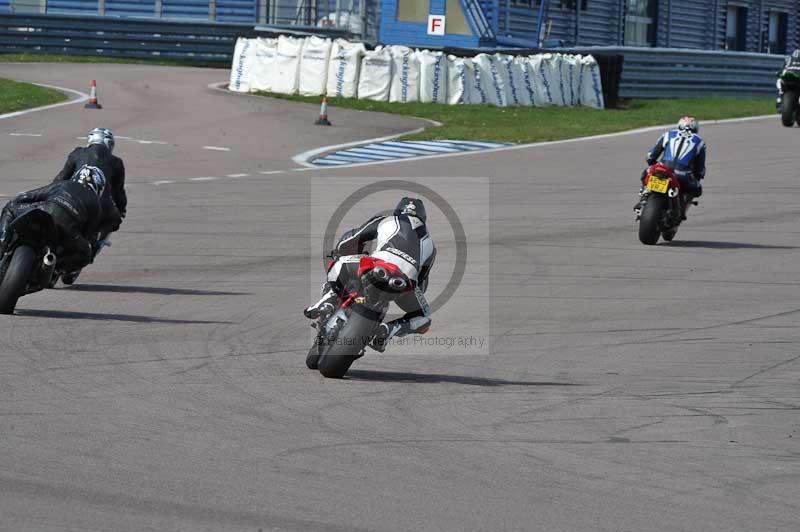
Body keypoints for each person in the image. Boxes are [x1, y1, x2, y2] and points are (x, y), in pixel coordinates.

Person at [304, 197, 437, 352]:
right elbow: (422, 283)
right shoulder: (431, 247)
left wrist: (339, 251)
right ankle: (388, 330)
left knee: (339, 263)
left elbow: (353, 237)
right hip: (404, 281)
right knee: (424, 317)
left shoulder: (386, 220)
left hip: (376, 265)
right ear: (423, 218)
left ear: (398, 210)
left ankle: (326, 302)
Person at [0, 165, 106, 273]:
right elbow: (89, 236)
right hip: (67, 229)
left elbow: (27, 196)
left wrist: (22, 205)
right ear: (98, 185)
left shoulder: (62, 183)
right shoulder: (96, 204)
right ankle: (55, 267)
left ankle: (2, 243)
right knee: (86, 253)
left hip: (44, 211)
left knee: (10, 208)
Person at [53, 127, 126, 242]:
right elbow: (118, 192)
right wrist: (122, 209)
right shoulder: (116, 162)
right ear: (109, 144)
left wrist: (52, 192)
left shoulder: (77, 153)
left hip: (70, 196)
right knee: (115, 219)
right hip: (97, 204)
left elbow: (61, 178)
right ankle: (95, 239)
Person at [635, 116, 706, 214]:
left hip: (662, 169)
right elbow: (700, 169)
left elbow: (650, 156)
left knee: (646, 172)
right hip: (683, 175)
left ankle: (643, 199)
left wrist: (653, 164)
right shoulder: (700, 141)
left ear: (679, 126)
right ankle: (681, 212)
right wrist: (697, 176)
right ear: (696, 128)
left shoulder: (668, 134)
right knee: (697, 189)